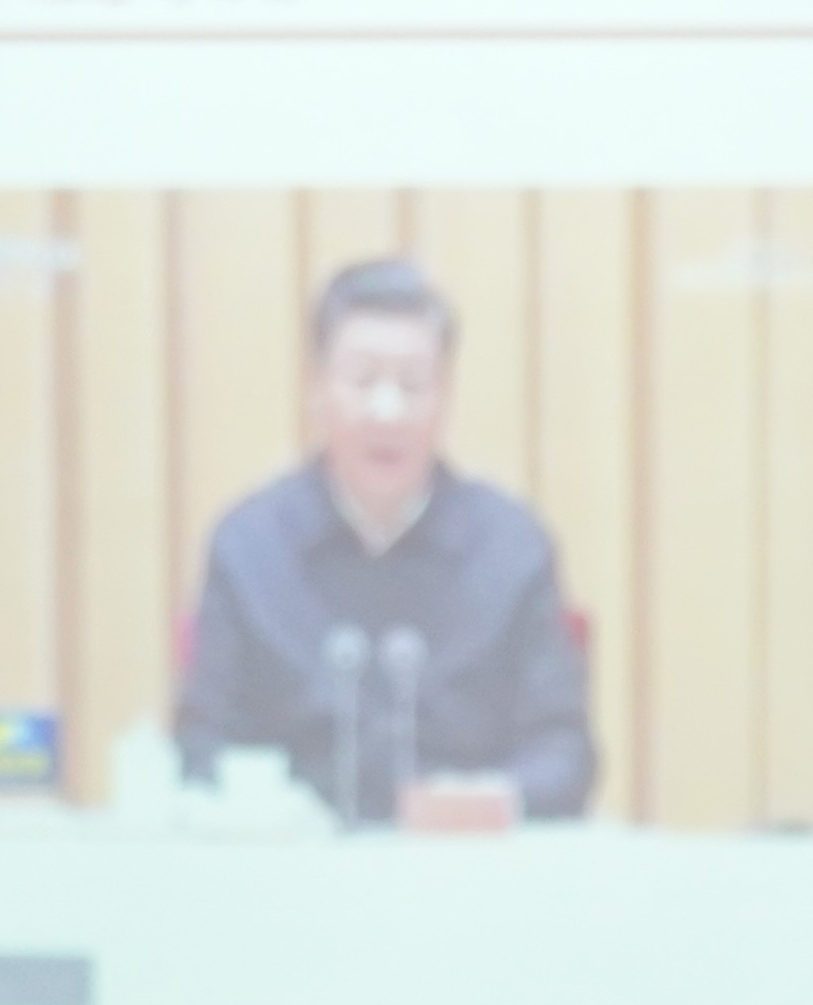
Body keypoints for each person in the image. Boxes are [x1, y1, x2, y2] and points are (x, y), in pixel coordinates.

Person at [172, 255, 596, 827]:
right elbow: (201, 745)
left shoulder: (512, 550)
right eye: (362, 380)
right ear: (317, 390)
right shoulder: (249, 547)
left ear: (445, 398)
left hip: (462, 868)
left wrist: (492, 799)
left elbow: (565, 755)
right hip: (292, 864)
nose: (387, 411)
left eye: (413, 385)